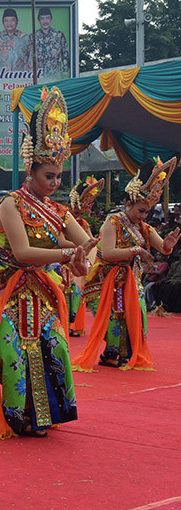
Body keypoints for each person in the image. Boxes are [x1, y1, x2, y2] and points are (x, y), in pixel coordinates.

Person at [0, 86, 96, 438]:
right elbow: (22, 253)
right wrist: (68, 255)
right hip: (6, 287)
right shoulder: (12, 204)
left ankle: (44, 413)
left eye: (59, 176)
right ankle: (17, 416)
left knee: (54, 345)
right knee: (13, 351)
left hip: (40, 289)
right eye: (49, 176)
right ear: (31, 170)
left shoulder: (58, 211)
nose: (54, 183)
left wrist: (83, 261)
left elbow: (86, 246)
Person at [73, 157, 180, 371]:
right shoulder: (112, 222)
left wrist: (168, 246)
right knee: (113, 318)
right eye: (141, 210)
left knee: (138, 316)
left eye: (147, 212)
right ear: (129, 203)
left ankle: (125, 354)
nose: (144, 216)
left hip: (130, 281)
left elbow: (162, 248)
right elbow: (108, 253)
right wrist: (136, 250)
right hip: (104, 280)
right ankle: (112, 352)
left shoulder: (144, 228)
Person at [65, 177, 104, 336]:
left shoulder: (83, 223)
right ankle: (65, 325)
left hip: (79, 259)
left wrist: (94, 245)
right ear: (69, 205)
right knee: (65, 292)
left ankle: (74, 325)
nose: (78, 216)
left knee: (78, 291)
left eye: (81, 213)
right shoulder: (62, 218)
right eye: (76, 212)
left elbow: (88, 240)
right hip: (63, 260)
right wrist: (78, 247)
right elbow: (60, 241)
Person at [0, 8, 30, 73]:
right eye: (6, 21)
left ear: (17, 21)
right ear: (2, 22)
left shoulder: (25, 37)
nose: (9, 23)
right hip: (3, 77)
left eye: (12, 20)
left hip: (21, 76)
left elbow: (31, 59)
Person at [32, 7, 69, 80]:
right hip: (39, 77)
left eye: (47, 18)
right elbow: (29, 57)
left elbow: (65, 55)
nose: (45, 21)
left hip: (56, 76)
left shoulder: (59, 35)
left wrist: (65, 74)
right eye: (42, 18)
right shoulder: (33, 36)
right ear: (38, 20)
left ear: (51, 19)